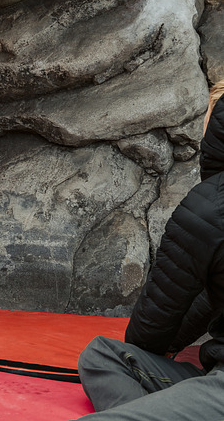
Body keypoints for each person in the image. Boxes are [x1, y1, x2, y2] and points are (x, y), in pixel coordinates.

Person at [74, 82, 224, 421]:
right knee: (103, 354)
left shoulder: (208, 207)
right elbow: (207, 297)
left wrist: (164, 348)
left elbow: (150, 329)